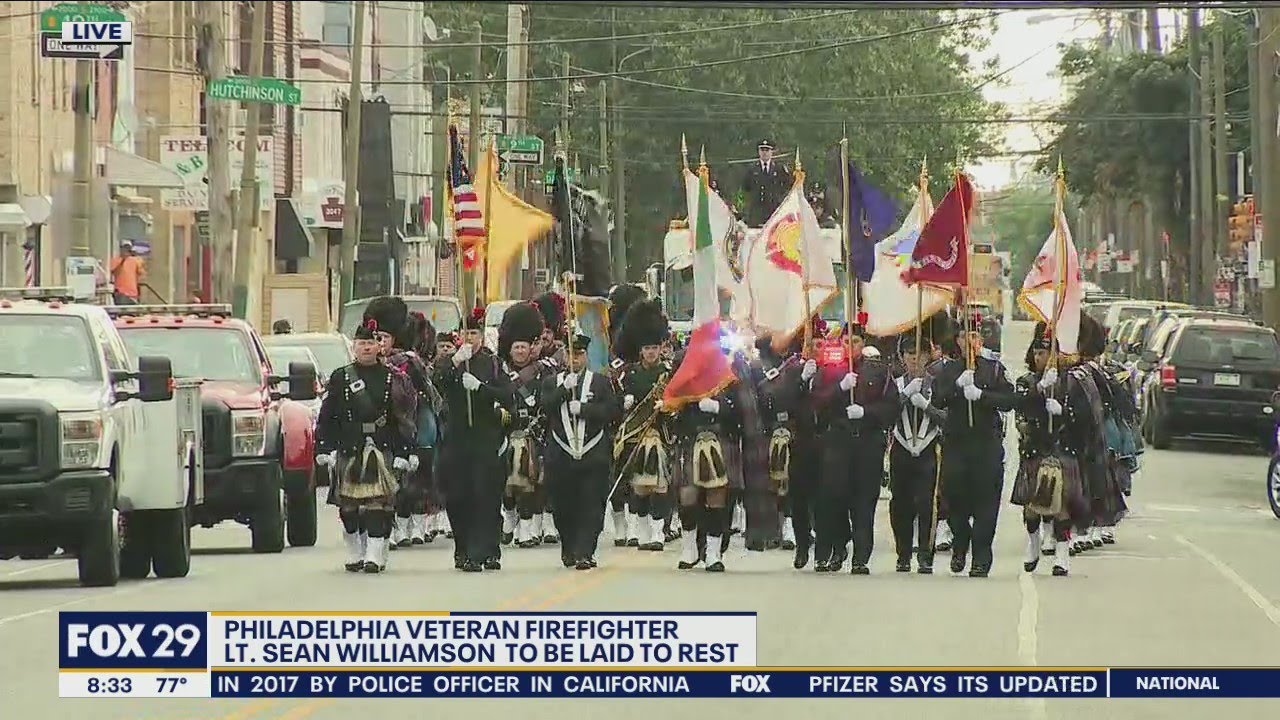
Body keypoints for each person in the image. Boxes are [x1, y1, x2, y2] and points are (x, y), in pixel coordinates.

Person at [314, 318, 418, 573]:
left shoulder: (393, 378)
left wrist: (405, 451)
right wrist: (323, 447)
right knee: (348, 508)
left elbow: (402, 418)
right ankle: (355, 550)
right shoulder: (341, 377)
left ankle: (374, 553)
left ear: (379, 347)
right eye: (362, 343)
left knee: (377, 505)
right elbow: (328, 414)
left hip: (381, 446)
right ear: (354, 347)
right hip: (349, 447)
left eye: (371, 343)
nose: (367, 348)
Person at [930, 310, 1017, 577]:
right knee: (954, 503)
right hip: (957, 445)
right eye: (965, 336)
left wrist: (982, 395)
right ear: (957, 340)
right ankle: (960, 542)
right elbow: (937, 399)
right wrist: (957, 386)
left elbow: (1009, 400)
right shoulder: (948, 370)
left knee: (986, 505)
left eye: (975, 335)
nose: (970, 341)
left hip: (986, 445)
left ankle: (981, 557)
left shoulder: (994, 369)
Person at [810, 318, 899, 574]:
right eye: (846, 341)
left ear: (863, 344)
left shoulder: (878, 371)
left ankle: (861, 557)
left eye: (856, 341)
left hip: (867, 443)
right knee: (833, 498)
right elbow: (816, 403)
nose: (851, 346)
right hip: (838, 442)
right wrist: (839, 388)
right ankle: (837, 548)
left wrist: (866, 412)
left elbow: (891, 407)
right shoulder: (829, 370)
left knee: (864, 503)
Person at [434, 307, 516, 572]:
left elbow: (507, 395)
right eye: (465, 333)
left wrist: (481, 388)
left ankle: (486, 551)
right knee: (458, 497)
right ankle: (464, 549)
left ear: (481, 335)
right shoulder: (449, 362)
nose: (469, 338)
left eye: (474, 333)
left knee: (486, 496)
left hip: (485, 435)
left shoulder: (493, 363)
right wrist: (455, 362)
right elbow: (438, 383)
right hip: (457, 436)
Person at [1012, 323, 1090, 577]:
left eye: (1044, 353)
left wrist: (1063, 411)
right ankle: (1034, 542)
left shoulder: (1071, 383)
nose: (1039, 358)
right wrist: (1039, 390)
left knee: (1062, 505)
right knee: (1031, 507)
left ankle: (1062, 553)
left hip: (1062, 448)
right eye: (1036, 353)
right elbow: (1019, 406)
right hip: (1035, 448)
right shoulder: (1026, 381)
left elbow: (1084, 416)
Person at [366, 298, 443, 551]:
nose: (380, 343)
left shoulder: (409, 361)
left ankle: (418, 523)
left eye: (384, 337)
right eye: (375, 337)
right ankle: (389, 527)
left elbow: (431, 393)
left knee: (420, 469)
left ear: (394, 338)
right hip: (382, 426)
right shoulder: (365, 365)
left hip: (413, 419)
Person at [542, 331, 620, 569]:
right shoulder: (551, 382)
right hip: (561, 454)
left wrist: (585, 409)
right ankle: (569, 546)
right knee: (563, 505)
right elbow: (545, 408)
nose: (574, 359)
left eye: (579, 354)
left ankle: (586, 552)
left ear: (586, 356)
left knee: (591, 505)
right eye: (570, 354)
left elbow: (612, 412)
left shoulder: (600, 382)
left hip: (592, 454)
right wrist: (564, 390)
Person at [671, 338, 745, 573]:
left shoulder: (729, 378)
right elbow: (670, 404)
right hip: (691, 439)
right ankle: (689, 548)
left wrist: (719, 407)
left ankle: (713, 553)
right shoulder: (683, 376)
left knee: (717, 497)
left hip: (720, 439)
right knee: (687, 496)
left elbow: (742, 411)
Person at [611, 299, 674, 553]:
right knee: (638, 486)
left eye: (654, 348)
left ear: (661, 348)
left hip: (660, 433)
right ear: (640, 350)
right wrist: (623, 402)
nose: (650, 352)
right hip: (635, 435)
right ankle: (641, 530)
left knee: (659, 485)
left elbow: (677, 403)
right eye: (647, 348)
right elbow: (616, 404)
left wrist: (667, 406)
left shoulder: (668, 374)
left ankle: (658, 531)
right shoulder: (629, 374)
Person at [497, 302, 557, 548]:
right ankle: (509, 516)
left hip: (535, 433)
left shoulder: (545, 371)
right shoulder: (500, 372)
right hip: (507, 433)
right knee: (507, 485)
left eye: (524, 346)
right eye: (516, 347)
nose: (520, 351)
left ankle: (527, 529)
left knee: (532, 484)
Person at [751, 330, 812, 562]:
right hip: (767, 429)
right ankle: (769, 528)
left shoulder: (797, 365)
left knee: (792, 481)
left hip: (794, 429)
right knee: (770, 483)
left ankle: (790, 528)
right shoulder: (757, 367)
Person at [888, 335, 947, 574]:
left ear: (927, 357)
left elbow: (947, 417)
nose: (914, 358)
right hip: (901, 448)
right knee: (900, 503)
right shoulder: (894, 384)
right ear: (902, 357)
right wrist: (903, 396)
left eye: (920, 354)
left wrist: (926, 406)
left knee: (926, 503)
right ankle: (903, 554)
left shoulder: (938, 384)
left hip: (928, 448)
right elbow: (885, 413)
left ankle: (925, 554)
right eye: (910, 353)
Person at [740, 138, 793, 227]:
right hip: (756, 212)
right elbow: (746, 187)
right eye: (762, 150)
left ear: (772, 152)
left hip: (773, 211)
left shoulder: (779, 169)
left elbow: (787, 185)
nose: (764, 153)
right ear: (759, 152)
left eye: (767, 150)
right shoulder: (752, 169)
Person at [110, 241, 146, 305]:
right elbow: (113, 271)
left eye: (128, 248)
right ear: (121, 249)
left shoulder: (135, 261)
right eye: (125, 248)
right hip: (121, 293)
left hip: (133, 293)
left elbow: (142, 274)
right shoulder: (116, 260)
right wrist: (122, 260)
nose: (126, 250)